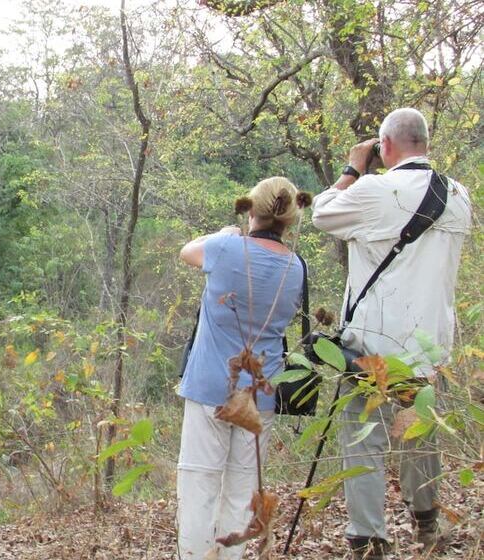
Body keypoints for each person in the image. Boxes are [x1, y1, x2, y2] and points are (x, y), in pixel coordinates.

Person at [311, 108, 472, 559]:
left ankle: (368, 539)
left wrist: (351, 168)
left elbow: (322, 214)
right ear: (425, 141)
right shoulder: (458, 195)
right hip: (428, 345)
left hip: (374, 345)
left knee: (365, 438)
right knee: (420, 434)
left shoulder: (376, 188)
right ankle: (428, 523)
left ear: (385, 147)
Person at [176, 177, 308, 559]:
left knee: (200, 484)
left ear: (251, 209)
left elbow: (187, 252)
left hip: (209, 388)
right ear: (290, 220)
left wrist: (223, 232)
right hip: (260, 395)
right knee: (241, 490)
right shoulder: (295, 266)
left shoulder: (227, 247)